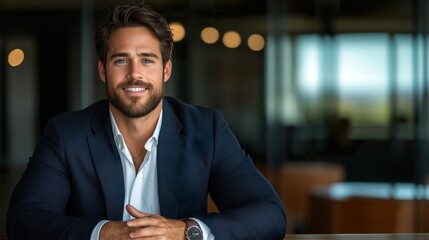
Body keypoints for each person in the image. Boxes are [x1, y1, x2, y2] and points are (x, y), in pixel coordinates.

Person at [6, 2, 287, 239]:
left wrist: (185, 231)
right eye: (120, 60)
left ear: (166, 69)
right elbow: (24, 219)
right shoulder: (66, 134)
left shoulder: (206, 129)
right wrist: (104, 233)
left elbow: (269, 214)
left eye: (147, 60)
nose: (134, 74)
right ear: (103, 70)